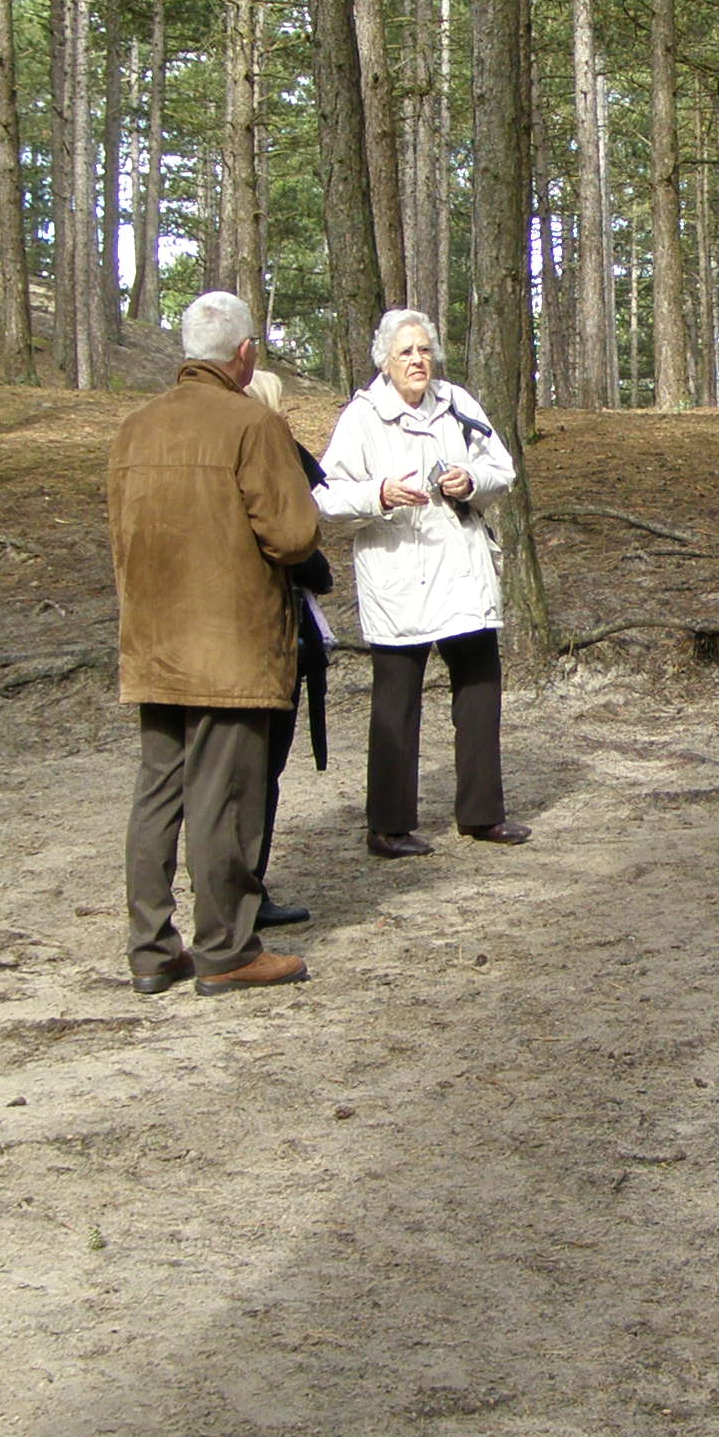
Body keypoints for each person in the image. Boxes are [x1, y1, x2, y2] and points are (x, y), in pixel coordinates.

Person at [108, 290, 321, 992]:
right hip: (229, 644)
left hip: (154, 638)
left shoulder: (135, 429)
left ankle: (151, 950)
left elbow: (121, 536)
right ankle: (227, 950)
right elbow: (292, 536)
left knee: (158, 792)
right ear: (244, 354)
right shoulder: (251, 424)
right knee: (224, 796)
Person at [316, 308, 532, 857]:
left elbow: (501, 469)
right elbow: (326, 497)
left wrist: (471, 480)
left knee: (480, 692)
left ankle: (482, 815)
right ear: (385, 362)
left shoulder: (458, 403)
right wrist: (380, 494)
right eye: (405, 352)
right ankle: (388, 826)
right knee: (396, 702)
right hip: (398, 575)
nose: (417, 361)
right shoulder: (363, 416)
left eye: (424, 350)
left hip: (460, 569)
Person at [242, 367, 334, 928]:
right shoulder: (265, 452)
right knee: (256, 770)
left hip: (267, 632)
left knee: (255, 772)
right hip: (263, 633)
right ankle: (242, 895)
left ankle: (246, 889)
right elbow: (294, 540)